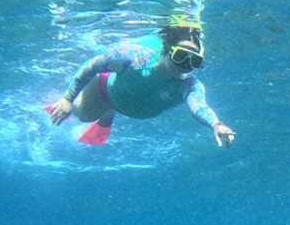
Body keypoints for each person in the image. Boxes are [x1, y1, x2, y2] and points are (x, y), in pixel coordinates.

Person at [46, 14, 236, 148]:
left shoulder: (190, 85)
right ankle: (78, 106)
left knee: (104, 110)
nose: (185, 65)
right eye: (180, 57)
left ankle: (109, 113)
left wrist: (216, 124)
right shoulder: (137, 57)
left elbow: (199, 107)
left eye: (194, 62)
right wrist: (67, 99)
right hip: (104, 91)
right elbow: (93, 65)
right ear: (168, 51)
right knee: (84, 116)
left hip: (125, 104)